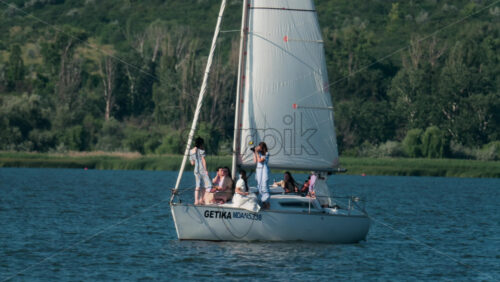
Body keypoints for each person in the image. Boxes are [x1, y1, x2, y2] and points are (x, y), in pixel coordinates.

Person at [189, 137, 212, 205]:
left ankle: (196, 201)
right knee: (208, 185)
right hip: (202, 170)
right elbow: (203, 160)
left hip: (196, 170)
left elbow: (192, 163)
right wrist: (206, 170)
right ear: (201, 143)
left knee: (198, 185)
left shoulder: (191, 151)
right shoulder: (201, 150)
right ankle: (201, 199)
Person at [253, 141, 270, 209]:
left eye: (259, 147)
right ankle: (261, 200)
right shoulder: (258, 153)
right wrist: (254, 153)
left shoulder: (267, 153)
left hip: (264, 169)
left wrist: (257, 152)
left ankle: (266, 201)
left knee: (264, 184)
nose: (258, 148)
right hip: (259, 169)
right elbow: (255, 161)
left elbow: (260, 160)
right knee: (259, 184)